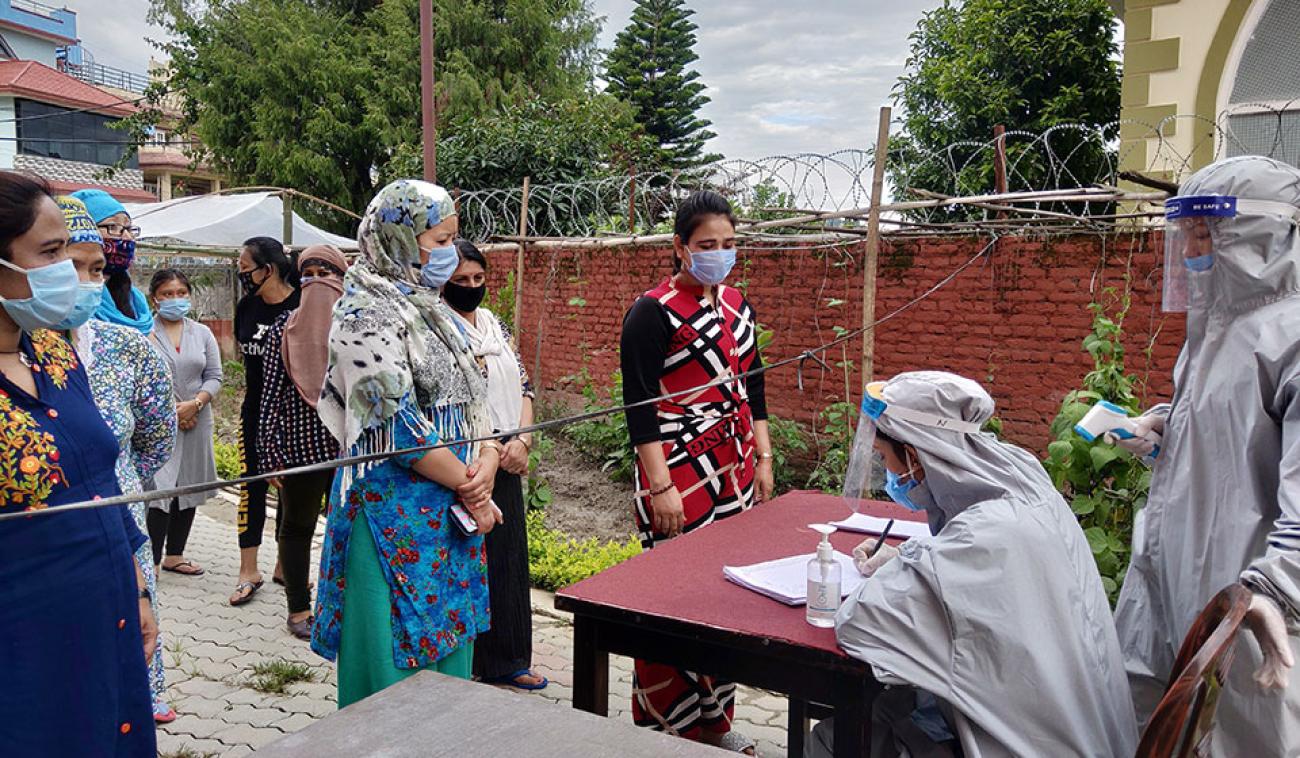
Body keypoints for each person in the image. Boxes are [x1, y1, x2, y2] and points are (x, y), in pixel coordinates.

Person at [819, 371, 1138, 757]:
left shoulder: (979, 536)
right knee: (892, 710)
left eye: (887, 459)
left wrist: (910, 567)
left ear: (916, 456)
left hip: (1033, 743)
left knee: (833, 738)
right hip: (1082, 725)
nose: (890, 475)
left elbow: (858, 626)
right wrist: (906, 558)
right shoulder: (1023, 482)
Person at [1113, 155, 1300, 754]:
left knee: (1242, 737)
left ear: (1262, 235)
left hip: (1245, 599)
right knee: (1168, 730)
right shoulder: (1213, 330)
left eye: (1207, 231)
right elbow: (1230, 434)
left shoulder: (1289, 337)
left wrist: (1275, 591)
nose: (1193, 249)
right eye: (1186, 232)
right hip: (1180, 576)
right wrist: (1165, 427)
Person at [313, 179, 502, 708]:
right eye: (438, 241)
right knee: (390, 681)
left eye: (452, 239)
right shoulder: (362, 315)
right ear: (397, 238)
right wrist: (475, 487)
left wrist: (486, 456)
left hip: (449, 518)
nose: (448, 253)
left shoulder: (434, 310)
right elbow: (393, 426)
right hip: (391, 521)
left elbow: (476, 399)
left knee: (447, 673)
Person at [0, 172, 156, 757]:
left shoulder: (52, 351)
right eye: (49, 252)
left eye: (67, 248)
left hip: (106, 613)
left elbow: (98, 479)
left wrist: (137, 589)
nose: (66, 267)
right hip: (24, 645)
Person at [619, 190, 773, 754]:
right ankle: (670, 723)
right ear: (680, 246)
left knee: (722, 596)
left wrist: (764, 455)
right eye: (707, 245)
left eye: (730, 244)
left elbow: (753, 383)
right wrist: (659, 486)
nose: (720, 253)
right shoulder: (651, 311)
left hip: (732, 466)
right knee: (674, 597)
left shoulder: (736, 304)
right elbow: (638, 405)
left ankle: (717, 719)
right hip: (677, 468)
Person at [59, 196, 180, 725]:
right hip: (46, 538)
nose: (87, 282)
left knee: (133, 633)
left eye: (97, 269)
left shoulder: (127, 346)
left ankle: (140, 704)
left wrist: (123, 476)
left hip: (121, 517)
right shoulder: (17, 352)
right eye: (70, 267)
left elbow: (157, 435)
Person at [445, 239, 547, 690]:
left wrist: (522, 439)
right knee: (468, 561)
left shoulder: (492, 325)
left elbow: (524, 385)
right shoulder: (438, 330)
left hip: (507, 454)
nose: (471, 287)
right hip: (461, 460)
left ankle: (508, 659)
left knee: (507, 560)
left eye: (478, 279)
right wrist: (488, 447)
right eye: (461, 280)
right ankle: (464, 662)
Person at [258, 245, 347, 640]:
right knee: (297, 527)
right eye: (307, 272)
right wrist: (269, 450)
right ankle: (298, 608)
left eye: (325, 270)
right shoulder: (284, 327)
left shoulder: (357, 324)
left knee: (348, 528)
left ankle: (343, 606)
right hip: (300, 444)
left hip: (352, 447)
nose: (315, 279)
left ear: (342, 276)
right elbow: (270, 393)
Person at [231, 236, 300, 606]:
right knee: (251, 486)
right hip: (254, 412)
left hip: (294, 418)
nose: (242, 275)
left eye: (245, 269)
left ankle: (284, 563)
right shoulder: (246, 308)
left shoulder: (301, 306)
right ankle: (248, 570)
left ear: (267, 270)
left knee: (291, 489)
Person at [148, 269, 223, 577]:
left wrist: (195, 405)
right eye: (167, 294)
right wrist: (172, 412)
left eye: (181, 293)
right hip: (158, 421)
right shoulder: (145, 332)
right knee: (158, 488)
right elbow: (142, 380)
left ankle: (175, 554)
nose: (175, 299)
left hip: (198, 415)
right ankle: (149, 560)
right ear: (155, 298)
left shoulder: (201, 332)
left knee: (188, 485)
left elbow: (215, 376)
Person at [69, 188, 153, 334]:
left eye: (128, 228)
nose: (126, 237)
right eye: (113, 227)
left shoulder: (136, 300)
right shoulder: (76, 300)